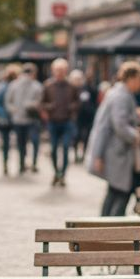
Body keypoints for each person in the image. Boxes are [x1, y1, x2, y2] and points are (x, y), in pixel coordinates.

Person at [86, 61, 140, 217]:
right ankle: (113, 229)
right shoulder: (121, 95)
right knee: (120, 192)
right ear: (131, 78)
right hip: (118, 152)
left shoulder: (118, 93)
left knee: (114, 191)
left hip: (115, 151)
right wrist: (136, 135)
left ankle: (104, 227)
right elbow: (119, 125)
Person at [40, 58, 79, 187]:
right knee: (54, 149)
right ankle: (56, 172)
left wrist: (72, 108)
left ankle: (63, 174)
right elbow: (41, 104)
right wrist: (49, 108)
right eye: (57, 70)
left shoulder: (71, 86)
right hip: (53, 121)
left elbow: (78, 103)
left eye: (62, 70)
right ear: (53, 71)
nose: (60, 72)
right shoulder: (48, 85)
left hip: (67, 121)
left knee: (66, 148)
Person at [4, 63, 43, 174]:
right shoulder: (36, 86)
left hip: (20, 118)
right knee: (34, 142)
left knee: (22, 143)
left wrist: (14, 110)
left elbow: (7, 102)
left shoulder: (13, 85)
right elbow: (40, 102)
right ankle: (32, 163)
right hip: (30, 119)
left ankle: (22, 164)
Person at [0, 65, 16, 172]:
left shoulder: (2, 87)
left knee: (6, 141)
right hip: (12, 117)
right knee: (17, 140)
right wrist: (4, 113)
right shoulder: (6, 87)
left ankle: (6, 161)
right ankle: (18, 162)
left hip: (7, 117)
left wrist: (2, 113)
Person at [71, 69, 96, 162]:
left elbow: (93, 101)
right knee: (76, 136)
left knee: (86, 136)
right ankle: (76, 154)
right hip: (76, 117)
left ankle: (84, 154)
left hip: (87, 117)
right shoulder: (71, 89)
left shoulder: (88, 88)